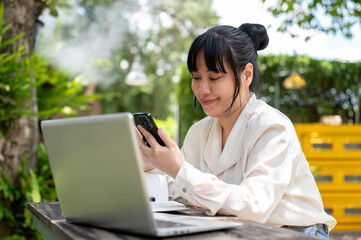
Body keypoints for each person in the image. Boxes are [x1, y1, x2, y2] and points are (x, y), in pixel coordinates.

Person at [135, 23, 336, 239]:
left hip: (296, 233)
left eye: (214, 78)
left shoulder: (272, 127)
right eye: (196, 77)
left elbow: (253, 207)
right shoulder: (199, 132)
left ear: (246, 75)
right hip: (237, 232)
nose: (202, 89)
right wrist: (153, 166)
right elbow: (185, 191)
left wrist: (179, 170)